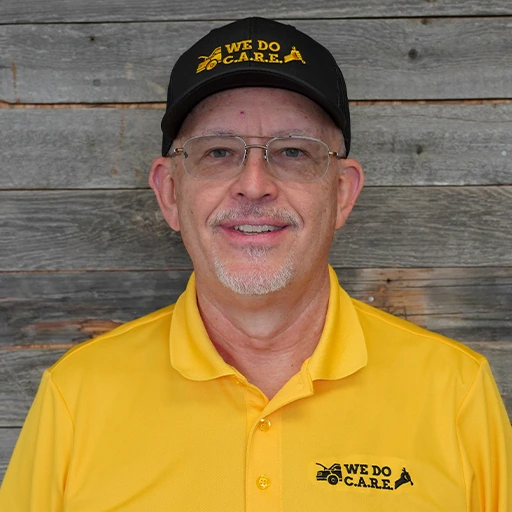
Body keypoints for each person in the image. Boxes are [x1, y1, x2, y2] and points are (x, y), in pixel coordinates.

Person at [1, 16, 511, 511]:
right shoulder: (76, 396)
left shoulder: (454, 392)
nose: (253, 185)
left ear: (342, 193)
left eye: (292, 152)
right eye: (218, 152)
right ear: (170, 192)